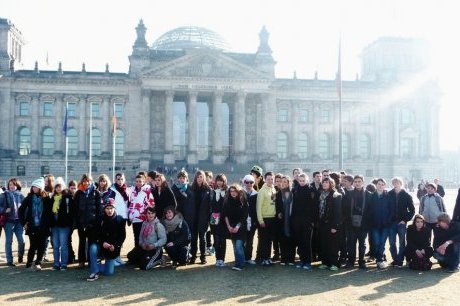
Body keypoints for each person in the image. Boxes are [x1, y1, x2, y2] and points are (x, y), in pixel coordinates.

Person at [87, 198, 126, 281]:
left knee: (109, 272)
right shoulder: (99, 219)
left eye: (111, 208)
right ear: (104, 209)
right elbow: (95, 235)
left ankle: (96, 265)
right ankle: (95, 272)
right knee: (92, 247)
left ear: (114, 208)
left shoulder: (120, 220)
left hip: (112, 248)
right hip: (101, 245)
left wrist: (115, 246)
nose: (109, 210)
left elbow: (122, 236)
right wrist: (102, 243)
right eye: (107, 208)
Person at [18, 177, 52, 270]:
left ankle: (38, 262)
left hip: (43, 227)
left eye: (36, 187)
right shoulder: (29, 197)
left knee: (42, 246)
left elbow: (50, 213)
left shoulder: (47, 198)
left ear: (40, 188)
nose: (34, 189)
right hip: (32, 226)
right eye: (33, 187)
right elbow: (21, 210)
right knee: (33, 246)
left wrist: (48, 224)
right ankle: (29, 263)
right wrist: (23, 223)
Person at [74, 174, 103, 267]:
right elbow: (76, 209)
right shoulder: (78, 193)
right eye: (84, 181)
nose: (86, 183)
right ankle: (81, 261)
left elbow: (99, 209)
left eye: (88, 181)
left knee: (92, 243)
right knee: (82, 242)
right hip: (81, 223)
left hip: (93, 223)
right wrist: (77, 222)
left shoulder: (96, 192)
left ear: (91, 181)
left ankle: (91, 261)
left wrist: (98, 223)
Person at [345, 175, 372, 269]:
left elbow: (371, 210)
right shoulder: (349, 194)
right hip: (351, 223)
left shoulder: (369, 195)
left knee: (362, 244)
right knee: (351, 244)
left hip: (364, 224)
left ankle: (361, 261)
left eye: (359, 181)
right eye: (355, 181)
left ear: (363, 182)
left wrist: (368, 223)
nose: (357, 183)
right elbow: (345, 209)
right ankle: (350, 261)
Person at [127, 206, 166, 270]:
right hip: (145, 247)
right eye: (149, 213)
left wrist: (154, 245)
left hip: (155, 249)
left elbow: (163, 239)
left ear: (155, 214)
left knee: (144, 266)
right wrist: (142, 244)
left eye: (152, 213)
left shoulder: (158, 225)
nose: (150, 215)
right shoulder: (144, 223)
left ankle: (160, 259)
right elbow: (140, 237)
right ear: (146, 214)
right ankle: (144, 259)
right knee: (130, 257)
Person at [291, 173, 316, 270]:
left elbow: (314, 207)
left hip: (308, 220)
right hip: (297, 220)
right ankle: (302, 261)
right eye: (300, 180)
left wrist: (313, 220)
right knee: (300, 242)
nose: (301, 182)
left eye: (303, 180)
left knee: (307, 242)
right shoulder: (295, 190)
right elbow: (294, 206)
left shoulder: (311, 190)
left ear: (307, 180)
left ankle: (308, 262)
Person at [388, 177, 415, 267]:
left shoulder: (406, 195)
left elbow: (412, 210)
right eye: (394, 183)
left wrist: (405, 220)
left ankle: (400, 260)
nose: (396, 185)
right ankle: (395, 259)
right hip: (391, 223)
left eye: (397, 183)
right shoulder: (389, 194)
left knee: (402, 242)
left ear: (401, 184)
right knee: (392, 242)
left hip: (401, 223)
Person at [317, 177, 342, 271]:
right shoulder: (320, 194)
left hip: (331, 224)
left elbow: (338, 212)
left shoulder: (336, 195)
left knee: (333, 245)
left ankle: (334, 263)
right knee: (323, 243)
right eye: (323, 182)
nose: (324, 184)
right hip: (322, 223)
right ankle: (325, 262)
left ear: (331, 184)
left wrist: (335, 226)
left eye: (327, 182)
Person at [50, 177, 74, 271]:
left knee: (64, 245)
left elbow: (71, 212)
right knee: (55, 246)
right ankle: (56, 263)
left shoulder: (67, 197)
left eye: (60, 187)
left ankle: (64, 264)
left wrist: (69, 223)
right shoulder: (53, 198)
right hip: (54, 225)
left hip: (64, 225)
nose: (58, 189)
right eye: (57, 187)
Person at [222, 184, 248, 271]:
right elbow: (225, 215)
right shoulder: (227, 201)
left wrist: (238, 226)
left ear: (238, 191)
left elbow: (244, 216)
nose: (233, 193)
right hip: (231, 226)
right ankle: (237, 264)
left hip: (241, 227)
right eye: (231, 191)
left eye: (234, 191)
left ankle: (241, 265)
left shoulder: (243, 201)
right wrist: (229, 226)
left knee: (238, 246)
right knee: (234, 246)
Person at [369, 178, 394, 269]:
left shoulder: (388, 196)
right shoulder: (371, 196)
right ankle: (379, 256)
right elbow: (369, 210)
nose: (380, 186)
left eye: (382, 184)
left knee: (382, 243)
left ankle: (379, 260)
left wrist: (388, 220)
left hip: (385, 224)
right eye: (379, 184)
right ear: (376, 185)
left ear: (385, 186)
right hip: (374, 224)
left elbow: (391, 210)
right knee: (376, 242)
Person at [189, 170, 212, 264]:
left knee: (202, 239)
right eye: (198, 177)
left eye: (201, 177)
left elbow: (210, 205)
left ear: (204, 178)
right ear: (195, 178)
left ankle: (203, 257)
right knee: (194, 239)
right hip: (193, 217)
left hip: (203, 217)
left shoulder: (208, 189)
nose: (199, 179)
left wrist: (208, 218)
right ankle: (193, 256)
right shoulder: (191, 188)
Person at [256, 171, 277, 266]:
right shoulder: (262, 191)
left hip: (272, 218)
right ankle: (263, 258)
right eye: (268, 179)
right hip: (264, 219)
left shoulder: (273, 189)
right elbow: (258, 207)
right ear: (265, 179)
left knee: (269, 240)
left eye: (272, 179)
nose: (270, 180)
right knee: (264, 240)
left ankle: (268, 258)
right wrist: (260, 220)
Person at [128, 174, 154, 247]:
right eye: (137, 181)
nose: (138, 183)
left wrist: (144, 214)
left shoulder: (147, 191)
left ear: (144, 181)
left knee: (143, 237)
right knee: (136, 237)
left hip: (142, 219)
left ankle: (142, 254)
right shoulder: (132, 191)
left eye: (140, 181)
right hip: (134, 219)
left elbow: (151, 204)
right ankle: (137, 252)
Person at [4, 178, 25, 266]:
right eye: (10, 185)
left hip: (19, 222)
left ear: (17, 185)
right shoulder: (4, 195)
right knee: (9, 241)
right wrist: (5, 210)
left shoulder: (21, 195)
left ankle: (20, 255)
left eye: (13, 184)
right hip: (9, 222)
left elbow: (25, 209)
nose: (11, 186)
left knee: (22, 241)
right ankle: (9, 260)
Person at [275, 175, 295, 266]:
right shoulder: (278, 194)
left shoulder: (293, 193)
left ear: (288, 183)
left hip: (291, 219)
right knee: (282, 239)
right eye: (281, 182)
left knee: (291, 239)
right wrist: (278, 212)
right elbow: (276, 206)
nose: (282, 184)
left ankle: (290, 259)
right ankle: (283, 259)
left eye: (285, 182)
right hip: (281, 220)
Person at [210, 174, 228, 267]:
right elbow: (211, 206)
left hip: (224, 219)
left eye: (221, 180)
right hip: (214, 218)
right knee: (216, 240)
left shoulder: (227, 192)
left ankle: (222, 259)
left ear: (224, 181)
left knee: (223, 241)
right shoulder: (213, 192)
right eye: (218, 180)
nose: (219, 182)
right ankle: (218, 259)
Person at [242, 174, 258, 265]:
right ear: (244, 183)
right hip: (243, 221)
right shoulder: (240, 193)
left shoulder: (256, 194)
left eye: (251, 182)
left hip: (252, 221)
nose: (249, 184)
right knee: (243, 240)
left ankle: (248, 257)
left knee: (250, 240)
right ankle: (242, 257)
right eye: (247, 182)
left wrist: (255, 221)